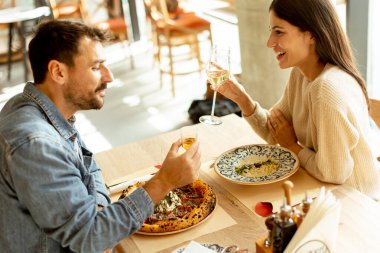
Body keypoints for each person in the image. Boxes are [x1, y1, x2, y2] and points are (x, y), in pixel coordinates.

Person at [0, 20, 201, 252]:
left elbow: (90, 167)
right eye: (96, 67)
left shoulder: (37, 106)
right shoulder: (35, 144)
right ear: (58, 72)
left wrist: (100, 215)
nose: (109, 76)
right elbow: (91, 238)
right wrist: (164, 181)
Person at [214, 0, 380, 200]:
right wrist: (241, 98)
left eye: (279, 32)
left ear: (311, 34)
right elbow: (274, 132)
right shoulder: (301, 75)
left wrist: (293, 147)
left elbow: (334, 173)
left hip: (356, 202)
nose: (269, 42)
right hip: (323, 189)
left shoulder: (326, 89)